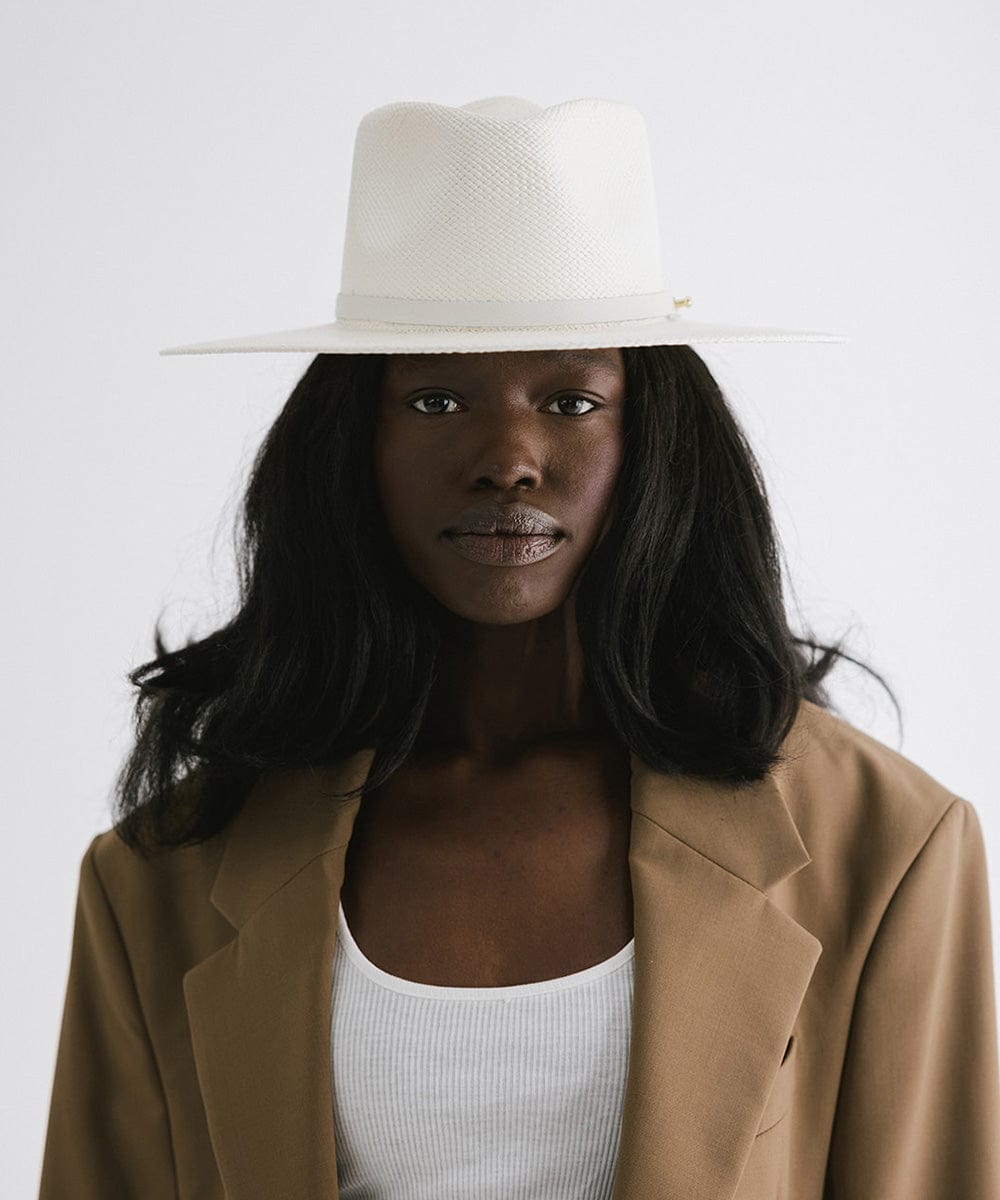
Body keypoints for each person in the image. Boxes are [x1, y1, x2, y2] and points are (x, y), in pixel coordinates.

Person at [38, 96, 1000, 1200]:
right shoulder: (161, 878)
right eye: (437, 397)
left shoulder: (884, 847)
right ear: (353, 443)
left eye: (571, 398)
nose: (507, 456)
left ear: (656, 441)